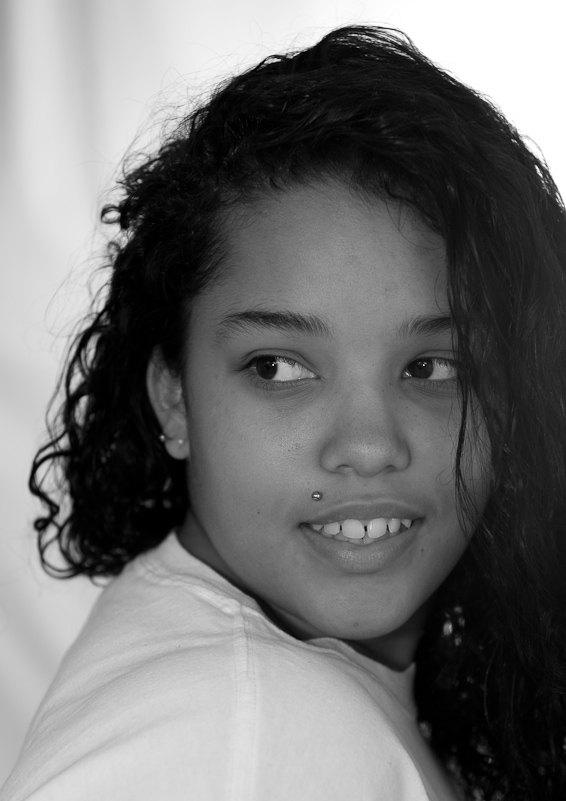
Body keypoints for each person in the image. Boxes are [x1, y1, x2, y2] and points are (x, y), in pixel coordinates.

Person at [2, 24, 566, 801]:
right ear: (173, 394)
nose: (369, 446)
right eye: (278, 367)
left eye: (433, 367)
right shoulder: (245, 725)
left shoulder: (264, 693)